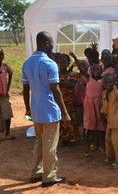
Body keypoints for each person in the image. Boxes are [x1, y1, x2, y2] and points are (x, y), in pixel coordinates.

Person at [22, 31, 71, 187]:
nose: (53, 47)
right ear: (46, 43)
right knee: (50, 144)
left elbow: (25, 89)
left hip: (36, 109)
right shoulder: (50, 64)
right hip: (50, 111)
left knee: (39, 142)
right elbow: (56, 91)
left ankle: (37, 172)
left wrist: (27, 109)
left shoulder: (27, 63)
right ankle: (49, 176)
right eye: (51, 44)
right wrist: (65, 113)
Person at [83, 63, 105, 156]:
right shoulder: (89, 79)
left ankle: (100, 145)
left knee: (100, 125)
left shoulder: (103, 81)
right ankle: (87, 147)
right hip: (89, 106)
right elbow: (81, 70)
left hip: (99, 105)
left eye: (98, 69)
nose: (95, 71)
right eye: (93, 69)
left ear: (102, 70)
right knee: (89, 126)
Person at [0, 49, 14, 140]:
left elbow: (11, 73)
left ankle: (7, 133)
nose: (0, 57)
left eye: (1, 55)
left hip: (4, 96)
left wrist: (8, 87)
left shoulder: (5, 67)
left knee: (8, 114)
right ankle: (2, 134)